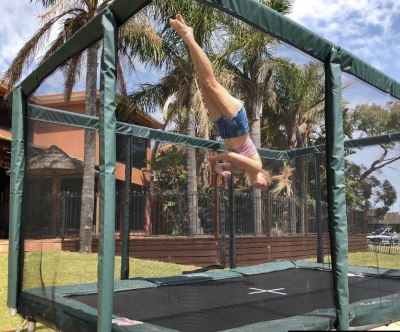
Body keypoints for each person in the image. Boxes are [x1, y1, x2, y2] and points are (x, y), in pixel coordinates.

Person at [170, 14, 272, 189]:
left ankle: (188, 38)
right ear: (263, 175)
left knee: (204, 84)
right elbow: (229, 157)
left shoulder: (242, 170)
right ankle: (188, 36)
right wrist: (214, 158)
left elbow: (220, 166)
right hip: (237, 123)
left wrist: (219, 170)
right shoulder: (256, 166)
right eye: (265, 184)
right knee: (211, 83)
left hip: (224, 129)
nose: (261, 187)